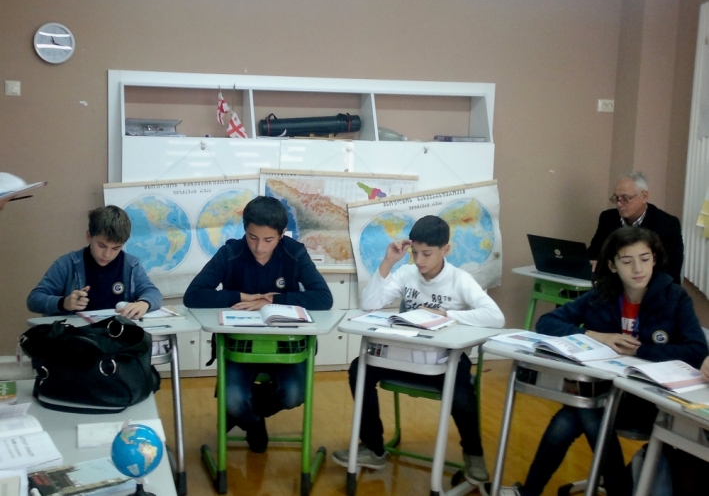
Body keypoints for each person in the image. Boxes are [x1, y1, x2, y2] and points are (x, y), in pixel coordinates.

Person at [497, 227, 708, 496]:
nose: (637, 269)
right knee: (575, 415)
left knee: (583, 412)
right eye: (627, 261)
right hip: (606, 392)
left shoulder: (674, 297)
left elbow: (696, 350)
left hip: (651, 400)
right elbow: (547, 322)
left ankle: (540, 492)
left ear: (654, 259)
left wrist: (641, 351)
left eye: (644, 259)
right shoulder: (602, 295)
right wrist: (595, 335)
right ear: (612, 265)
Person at [331, 215, 505, 484]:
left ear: (445, 250)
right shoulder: (407, 273)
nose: (419, 261)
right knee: (359, 368)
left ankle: (474, 454)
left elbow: (495, 317)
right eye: (415, 253)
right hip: (403, 357)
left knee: (462, 394)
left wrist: (447, 314)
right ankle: (374, 447)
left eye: (427, 254)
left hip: (443, 362)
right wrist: (388, 262)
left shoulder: (460, 280)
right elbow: (370, 304)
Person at [183, 196, 333, 453]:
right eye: (253, 238)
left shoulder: (295, 253)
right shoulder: (230, 253)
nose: (260, 247)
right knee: (233, 400)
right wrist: (241, 296)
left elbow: (323, 298)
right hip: (240, 347)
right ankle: (251, 420)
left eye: (268, 240)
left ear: (282, 234)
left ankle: (242, 413)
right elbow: (193, 295)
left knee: (294, 394)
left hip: (286, 347)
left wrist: (274, 300)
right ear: (245, 230)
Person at [27, 205, 161, 319]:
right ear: (88, 236)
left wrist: (144, 303)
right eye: (101, 246)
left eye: (116, 248)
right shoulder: (67, 264)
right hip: (76, 336)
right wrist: (63, 303)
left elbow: (153, 292)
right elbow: (34, 299)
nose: (107, 254)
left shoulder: (131, 265)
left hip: (117, 334)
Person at [588, 170, 684, 284]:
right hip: (612, 283)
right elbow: (594, 252)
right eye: (616, 198)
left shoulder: (667, 224)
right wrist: (594, 262)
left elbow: (671, 269)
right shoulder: (608, 218)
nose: (619, 204)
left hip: (650, 286)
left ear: (644, 197)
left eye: (625, 198)